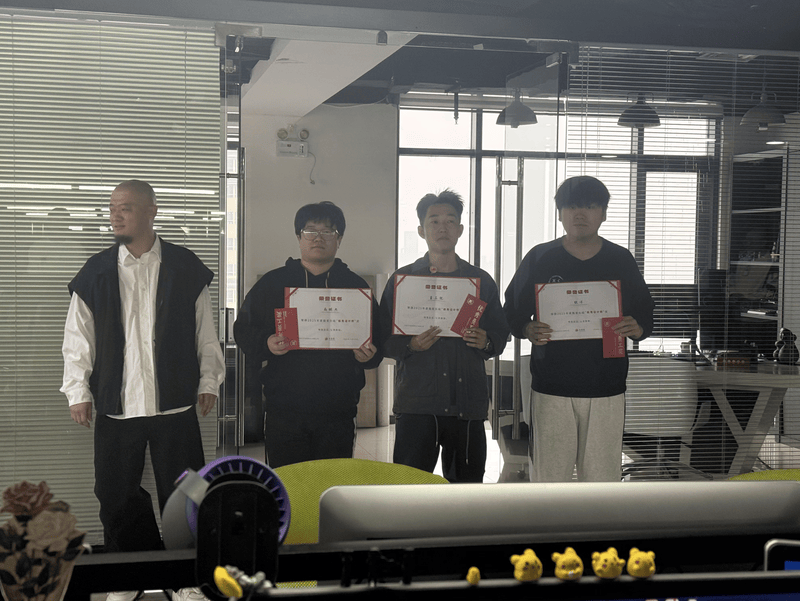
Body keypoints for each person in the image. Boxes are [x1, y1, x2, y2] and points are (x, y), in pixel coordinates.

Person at [61, 180, 225, 601]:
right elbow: (78, 338)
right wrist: (77, 391)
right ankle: (129, 574)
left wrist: (209, 380)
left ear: (152, 210)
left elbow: (206, 333)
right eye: (112, 207)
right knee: (115, 496)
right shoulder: (96, 271)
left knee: (186, 494)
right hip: (117, 406)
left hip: (175, 404)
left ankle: (185, 578)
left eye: (126, 207)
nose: (116, 215)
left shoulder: (185, 267)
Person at [503, 175, 655, 483]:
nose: (580, 214)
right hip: (552, 384)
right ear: (560, 213)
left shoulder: (620, 259)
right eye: (571, 207)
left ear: (604, 213)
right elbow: (512, 311)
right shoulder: (540, 257)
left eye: (590, 206)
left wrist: (637, 327)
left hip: (606, 384)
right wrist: (527, 328)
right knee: (549, 476)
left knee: (602, 477)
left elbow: (644, 312)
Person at [233, 201, 381, 468]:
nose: (318, 238)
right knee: (288, 483)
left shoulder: (355, 287)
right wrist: (266, 343)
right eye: (310, 231)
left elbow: (378, 340)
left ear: (339, 239)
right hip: (283, 409)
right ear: (299, 237)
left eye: (328, 232)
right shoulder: (273, 283)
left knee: (331, 483)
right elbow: (243, 329)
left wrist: (368, 356)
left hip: (338, 409)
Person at [378, 189, 509, 483]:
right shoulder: (403, 281)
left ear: (460, 230)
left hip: (467, 404)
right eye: (434, 221)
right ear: (421, 230)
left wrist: (486, 341)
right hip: (417, 403)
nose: (442, 227)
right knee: (410, 487)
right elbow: (382, 338)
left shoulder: (480, 282)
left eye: (450, 221)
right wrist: (410, 344)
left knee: (466, 489)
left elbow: (500, 333)